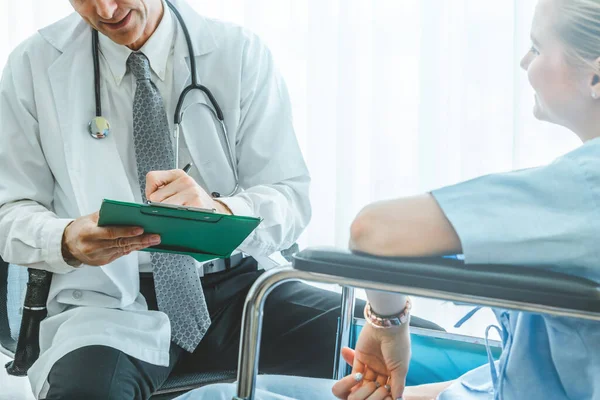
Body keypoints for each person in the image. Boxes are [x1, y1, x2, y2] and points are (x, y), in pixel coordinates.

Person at [0, 0, 439, 398]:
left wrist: (222, 212)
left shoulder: (238, 53)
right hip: (110, 304)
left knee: (436, 352)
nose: (106, 8)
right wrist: (64, 238)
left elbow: (289, 196)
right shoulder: (35, 66)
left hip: (240, 290)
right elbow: (8, 209)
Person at [181, 0, 600, 399]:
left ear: (595, 77)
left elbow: (374, 231)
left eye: (537, 47)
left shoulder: (581, 186)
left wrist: (388, 322)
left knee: (213, 396)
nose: (526, 63)